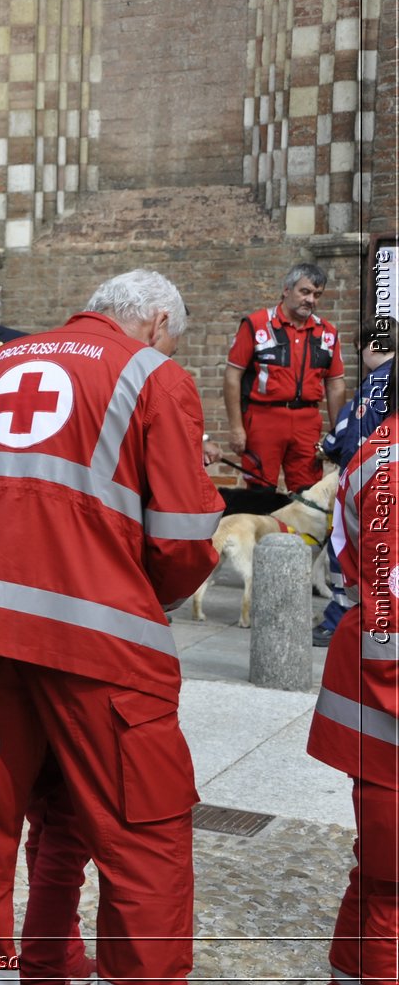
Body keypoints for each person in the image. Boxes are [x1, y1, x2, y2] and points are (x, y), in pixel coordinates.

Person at [0, 268, 224, 982]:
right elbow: (184, 538)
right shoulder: (153, 376)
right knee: (145, 838)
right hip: (101, 642)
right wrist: (132, 591)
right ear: (159, 322)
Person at [307, 386, 399, 984]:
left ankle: (349, 969)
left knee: (381, 871)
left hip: (372, 687)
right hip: (386, 688)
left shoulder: (373, 452)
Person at [224, 262, 346, 491]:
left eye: (317, 295)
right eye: (305, 291)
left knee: (308, 491)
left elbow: (335, 385)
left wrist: (337, 433)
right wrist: (236, 427)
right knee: (260, 490)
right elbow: (232, 376)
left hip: (307, 421)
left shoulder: (328, 333)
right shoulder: (256, 325)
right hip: (263, 419)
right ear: (286, 290)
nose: (311, 300)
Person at [314, 318, 394, 645]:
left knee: (345, 552)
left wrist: (327, 447)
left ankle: (340, 618)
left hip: (364, 484)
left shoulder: (373, 385)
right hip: (387, 484)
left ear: (372, 346)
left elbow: (348, 432)